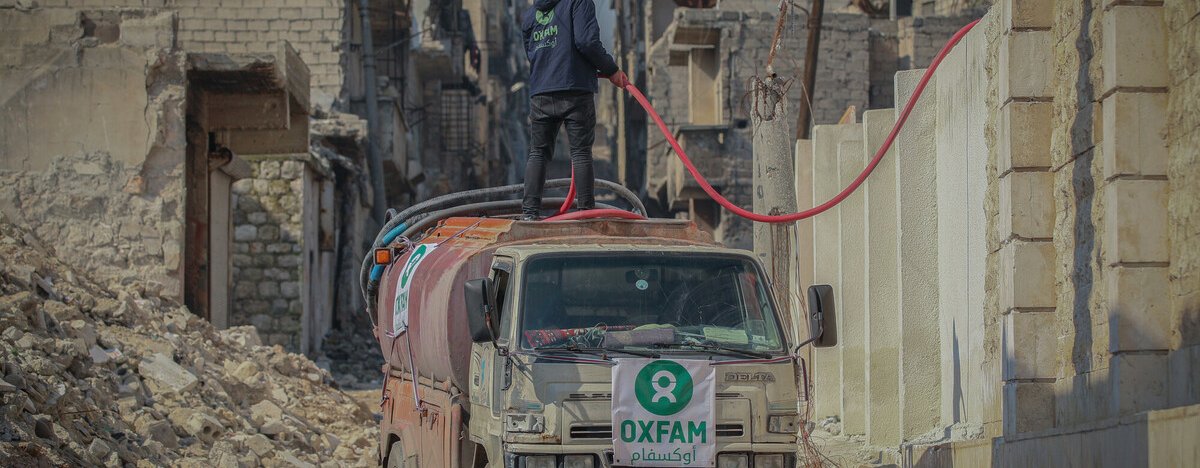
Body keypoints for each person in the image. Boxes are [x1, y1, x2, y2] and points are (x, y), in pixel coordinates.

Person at [520, 0, 630, 220]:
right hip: (574, 87)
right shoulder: (579, 2)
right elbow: (586, 41)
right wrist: (612, 70)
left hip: (541, 90)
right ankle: (586, 213)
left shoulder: (530, 14)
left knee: (538, 152)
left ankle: (529, 213)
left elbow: (530, 51)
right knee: (580, 152)